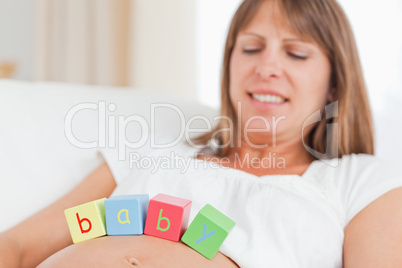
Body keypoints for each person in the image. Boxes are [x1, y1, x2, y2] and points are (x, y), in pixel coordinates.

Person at [1, 0, 402, 267]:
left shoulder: (361, 181)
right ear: (228, 65)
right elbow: (18, 249)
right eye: (250, 48)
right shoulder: (151, 153)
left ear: (334, 82)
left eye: (295, 53)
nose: (267, 67)